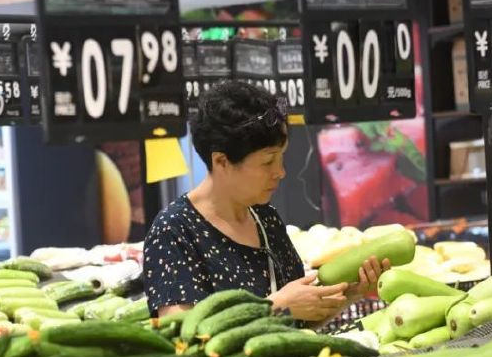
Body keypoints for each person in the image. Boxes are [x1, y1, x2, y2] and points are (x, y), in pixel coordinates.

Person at [143, 81, 387, 322]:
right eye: (268, 161)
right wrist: (275, 307)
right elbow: (179, 335)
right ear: (221, 161)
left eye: (281, 157)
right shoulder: (174, 230)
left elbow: (297, 320)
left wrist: (350, 294)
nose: (280, 172)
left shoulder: (265, 218)